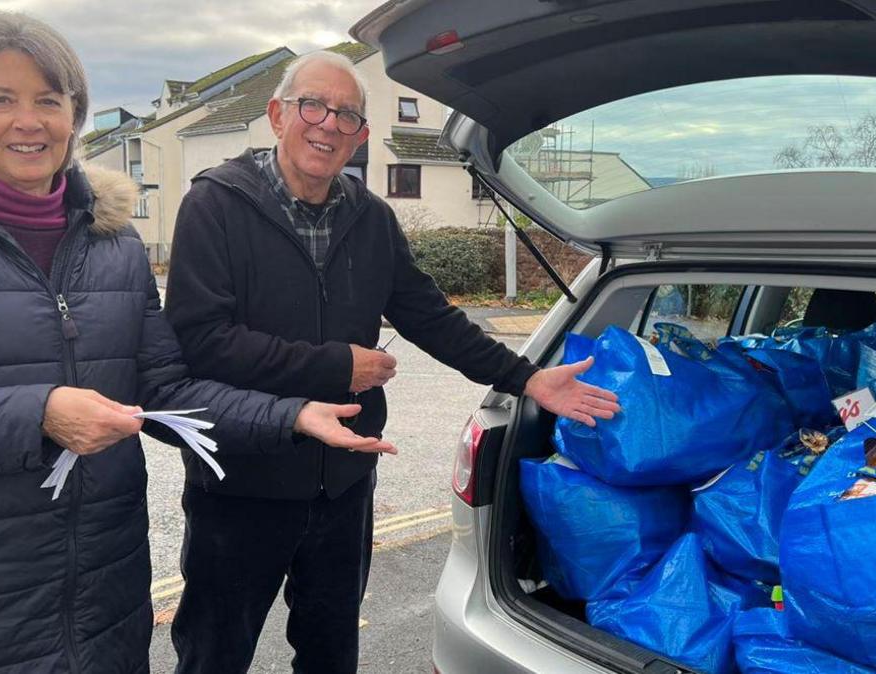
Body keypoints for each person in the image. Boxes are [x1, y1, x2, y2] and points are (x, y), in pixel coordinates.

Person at [0, 14, 393, 674]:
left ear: (75, 116)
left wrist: (290, 416)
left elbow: (167, 390)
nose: (29, 121)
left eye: (50, 101)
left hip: (99, 595)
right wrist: (39, 415)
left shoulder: (111, 245)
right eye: (2, 98)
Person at [164, 50, 621, 673]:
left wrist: (528, 378)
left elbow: (430, 316)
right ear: (276, 116)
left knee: (330, 652)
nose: (328, 124)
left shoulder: (370, 217)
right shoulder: (214, 206)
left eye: (346, 114)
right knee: (214, 653)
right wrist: (333, 366)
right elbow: (202, 342)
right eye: (312, 107)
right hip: (242, 481)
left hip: (343, 481)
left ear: (362, 135)